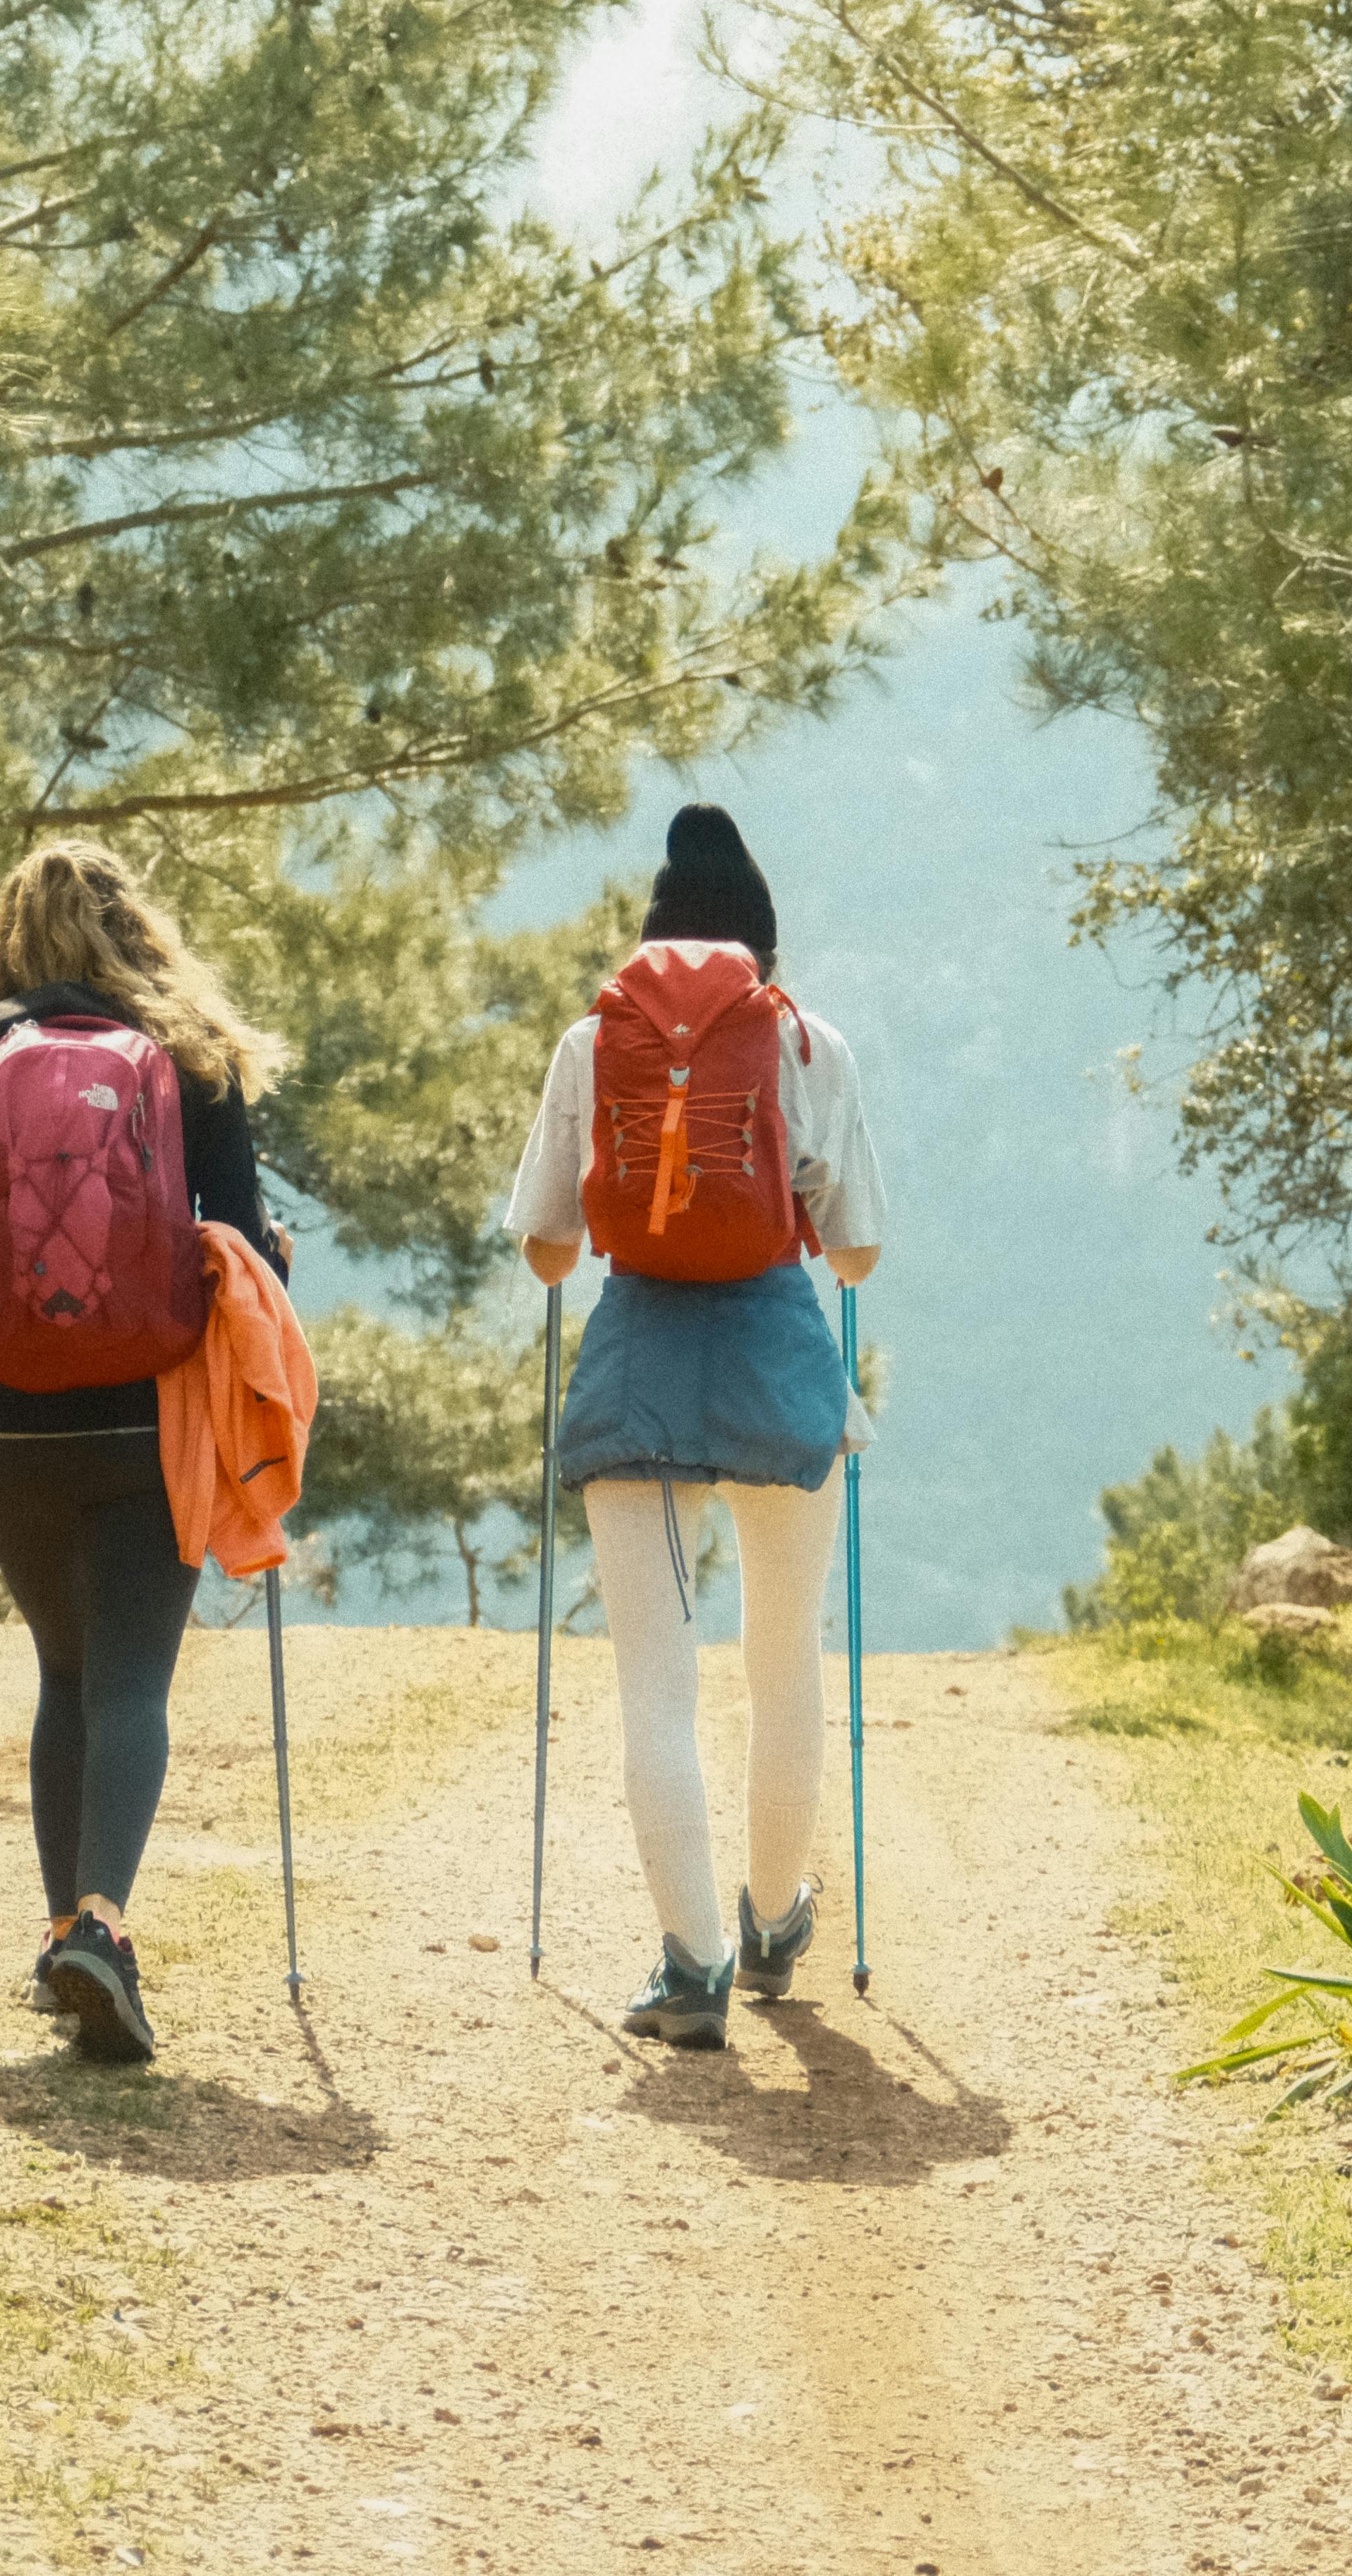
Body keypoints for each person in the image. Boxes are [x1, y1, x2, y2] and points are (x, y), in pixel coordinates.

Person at [0, 838, 293, 2065]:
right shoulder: (193, 1059)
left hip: (9, 1425)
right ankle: (103, 1930)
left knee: (63, 1675)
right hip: (150, 1417)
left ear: (7, 942)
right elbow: (241, 1253)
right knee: (132, 1682)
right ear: (140, 933)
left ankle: (61, 1929)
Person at [498, 805, 881, 2048]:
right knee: (785, 1659)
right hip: (777, 1357)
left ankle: (693, 1965)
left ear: (650, 940)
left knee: (654, 1688)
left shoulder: (590, 1044)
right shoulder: (807, 1042)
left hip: (638, 1369)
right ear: (762, 952)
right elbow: (861, 1250)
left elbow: (551, 1250)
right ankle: (775, 1921)